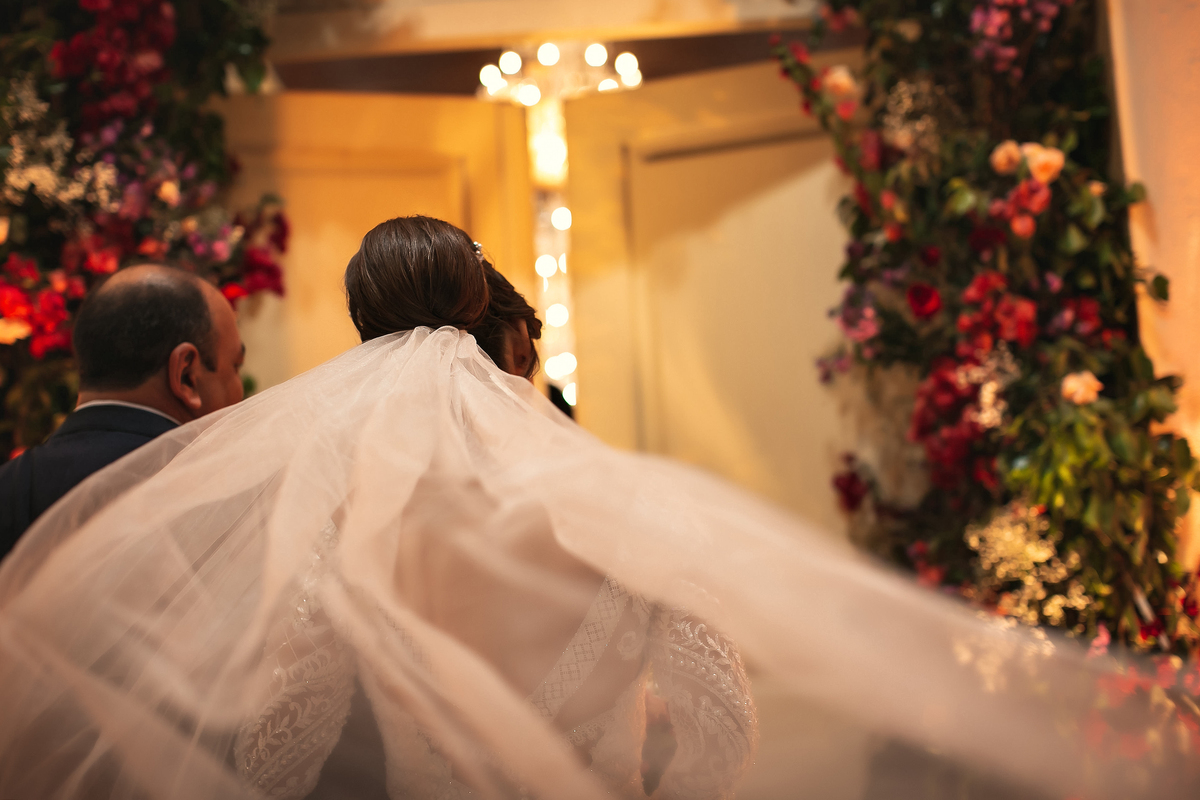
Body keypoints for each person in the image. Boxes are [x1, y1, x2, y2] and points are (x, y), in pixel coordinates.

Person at [0, 217, 1192, 800]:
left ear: (362, 329)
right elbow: (722, 724)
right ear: (485, 312)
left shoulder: (340, 511)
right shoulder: (601, 501)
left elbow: (288, 742)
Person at [0, 265, 245, 559]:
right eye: (235, 367)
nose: (242, 393)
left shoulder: (9, 486)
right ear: (186, 375)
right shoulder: (219, 499)